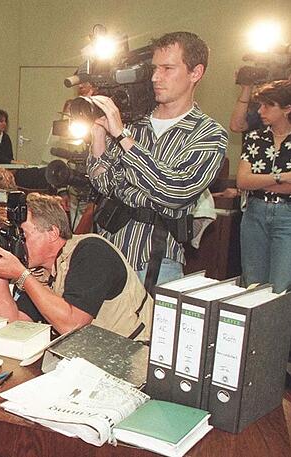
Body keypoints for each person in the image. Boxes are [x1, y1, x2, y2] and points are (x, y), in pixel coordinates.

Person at [86, 31, 228, 287]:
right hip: (108, 252)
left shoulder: (208, 133)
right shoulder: (133, 122)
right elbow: (104, 184)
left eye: (167, 68)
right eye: (154, 68)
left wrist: (123, 138)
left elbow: (175, 192)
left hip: (156, 260)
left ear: (195, 73)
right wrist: (98, 133)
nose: (155, 77)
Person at [0, 193, 152, 341]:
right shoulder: (42, 272)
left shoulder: (91, 251)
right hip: (89, 355)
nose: (17, 243)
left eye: (23, 235)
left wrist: (22, 275)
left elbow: (72, 326)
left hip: (133, 353)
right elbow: (11, 326)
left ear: (52, 233)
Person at [236, 80, 291, 293]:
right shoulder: (255, 138)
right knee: (253, 284)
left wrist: (260, 182)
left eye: (268, 105)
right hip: (254, 213)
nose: (261, 111)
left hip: (288, 216)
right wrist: (282, 177)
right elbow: (243, 181)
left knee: (281, 285)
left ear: (287, 109)